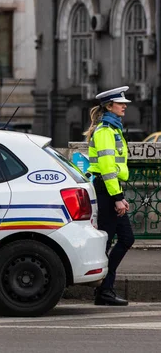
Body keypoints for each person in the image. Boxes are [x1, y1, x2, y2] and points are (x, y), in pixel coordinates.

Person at [84, 86, 135, 306]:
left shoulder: (113, 129)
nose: (124, 106)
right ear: (109, 106)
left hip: (109, 188)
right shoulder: (106, 131)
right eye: (120, 103)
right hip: (107, 189)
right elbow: (107, 169)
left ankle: (104, 289)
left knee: (117, 239)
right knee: (116, 239)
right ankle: (104, 289)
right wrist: (118, 197)